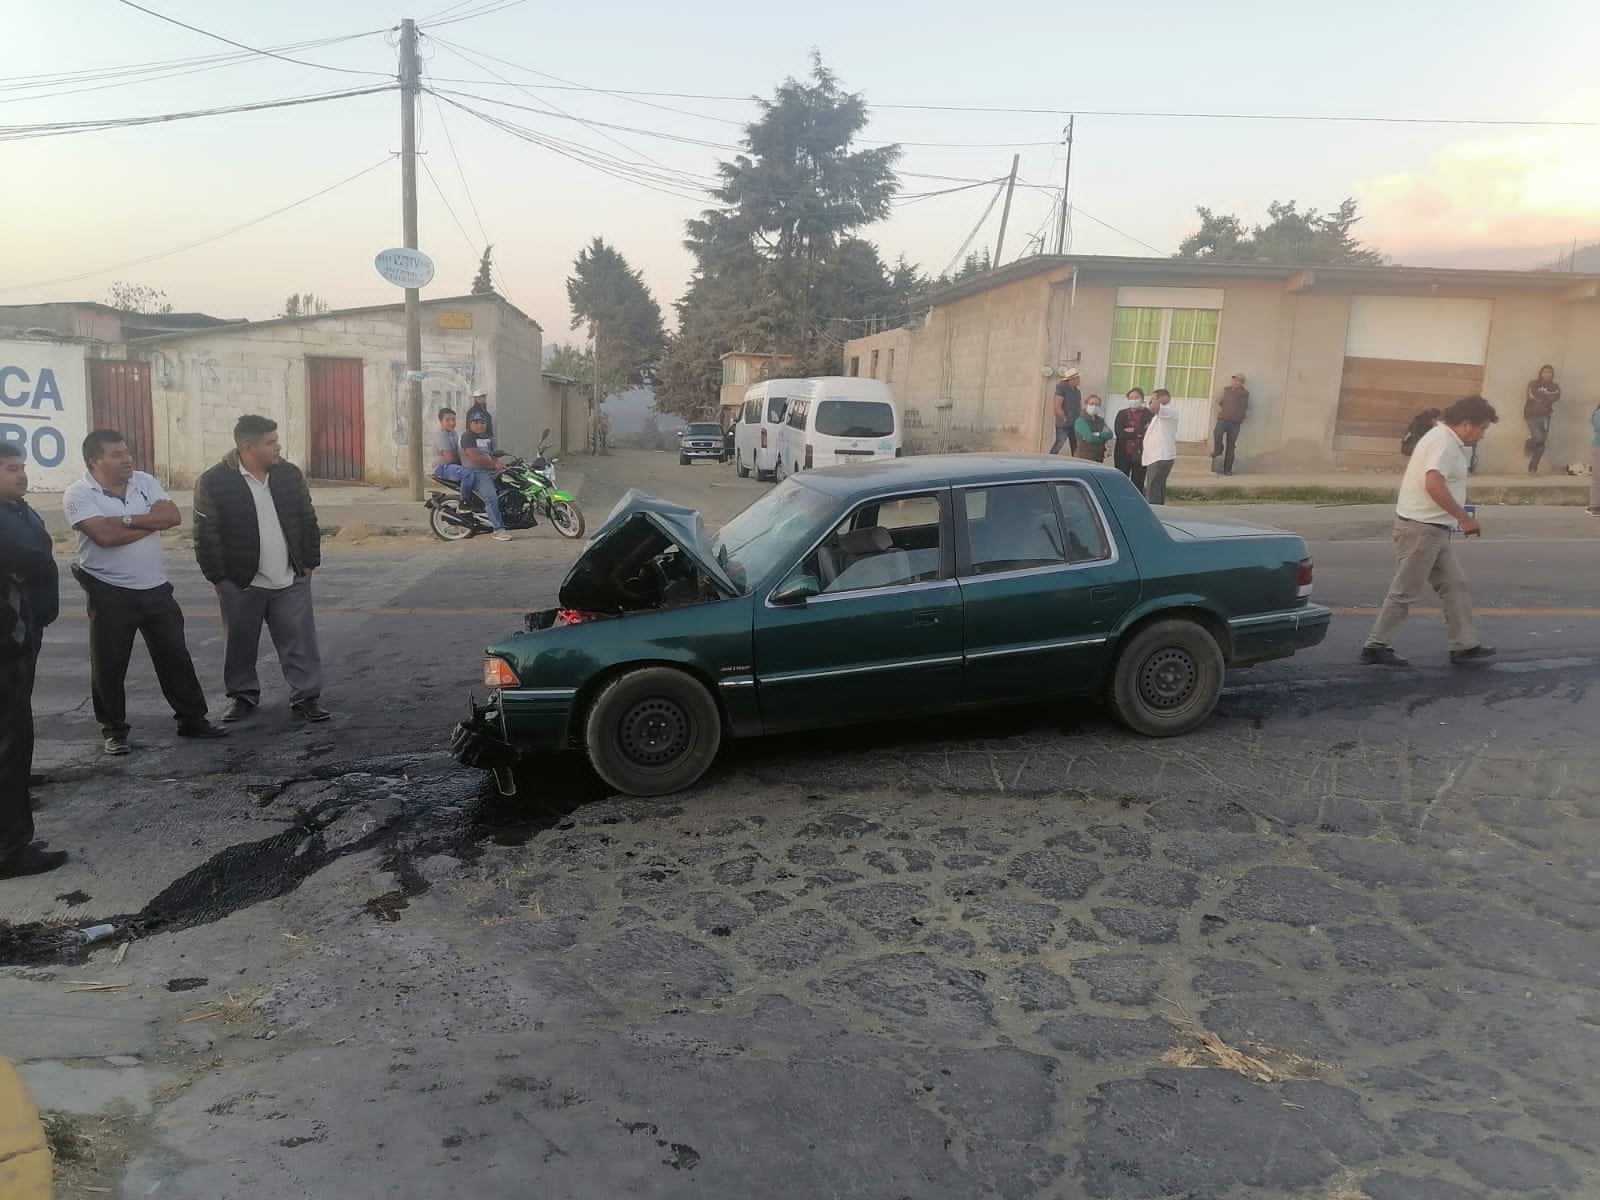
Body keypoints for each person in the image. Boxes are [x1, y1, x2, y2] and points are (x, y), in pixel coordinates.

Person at [63, 430, 227, 755]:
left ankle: (192, 720)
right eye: (116, 455)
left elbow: (172, 517)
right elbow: (104, 538)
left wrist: (123, 520)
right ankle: (114, 731)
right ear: (95, 461)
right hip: (109, 591)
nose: (127, 459)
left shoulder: (144, 481)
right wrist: (150, 522)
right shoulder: (78, 493)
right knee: (109, 665)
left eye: (127, 452)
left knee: (175, 657)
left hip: (156, 589)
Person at [193, 414, 331, 725]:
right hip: (241, 581)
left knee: (299, 641)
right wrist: (219, 578)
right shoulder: (214, 481)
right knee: (239, 644)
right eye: (270, 442)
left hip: (290, 577)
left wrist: (309, 563)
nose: (278, 447)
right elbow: (205, 534)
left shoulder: (289, 475)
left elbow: (308, 520)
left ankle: (306, 697)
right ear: (248, 447)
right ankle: (242, 696)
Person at [1360, 394, 1499, 668]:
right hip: (1421, 530)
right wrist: (1463, 518)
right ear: (1467, 423)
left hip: (1434, 529)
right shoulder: (1443, 442)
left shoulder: (1446, 439)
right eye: (1482, 428)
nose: (1482, 435)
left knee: (1454, 585)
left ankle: (1464, 645)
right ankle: (1375, 646)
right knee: (1404, 591)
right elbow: (1433, 483)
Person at [0, 443, 67, 878]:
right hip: (6, 640)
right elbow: (28, 556)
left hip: (21, 634)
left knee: (14, 733)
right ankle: (9, 850)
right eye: (11, 468)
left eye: (22, 466)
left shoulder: (19, 509)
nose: (21, 474)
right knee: (9, 741)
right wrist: (37, 558)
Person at [458, 410, 513, 542]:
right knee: (491, 497)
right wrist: (494, 465)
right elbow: (475, 457)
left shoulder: (487, 437)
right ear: (470, 424)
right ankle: (498, 530)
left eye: (482, 422)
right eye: (476, 422)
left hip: (489, 470)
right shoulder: (468, 437)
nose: (479, 425)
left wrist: (499, 466)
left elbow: (492, 455)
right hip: (476, 472)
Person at [1140, 389, 1180, 505]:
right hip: (1156, 457)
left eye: (1153, 398)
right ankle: (1159, 509)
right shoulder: (1159, 416)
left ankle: (1155, 510)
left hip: (1160, 456)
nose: (1151, 401)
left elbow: (1154, 408)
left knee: (1153, 488)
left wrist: (1157, 400)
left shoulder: (1169, 411)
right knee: (1157, 486)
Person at [1113, 388, 1151, 493]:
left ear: (1142, 399)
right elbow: (1119, 433)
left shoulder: (1148, 414)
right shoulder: (1122, 414)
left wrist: (1133, 431)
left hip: (1141, 454)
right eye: (1131, 398)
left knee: (1138, 482)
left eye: (1136, 397)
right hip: (1123, 453)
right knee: (1120, 480)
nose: (1133, 400)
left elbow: (1148, 432)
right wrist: (1138, 432)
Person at [1524, 365, 1560, 474]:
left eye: (1550, 372)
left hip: (1545, 416)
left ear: (1552, 374)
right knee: (1538, 438)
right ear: (1541, 373)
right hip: (1531, 415)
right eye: (1545, 372)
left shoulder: (1555, 386)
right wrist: (1546, 396)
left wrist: (1543, 396)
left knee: (1541, 444)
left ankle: (1533, 468)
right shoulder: (1533, 383)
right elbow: (1532, 395)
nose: (1547, 374)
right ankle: (1529, 442)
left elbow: (1556, 397)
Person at [1212, 373, 1249, 476]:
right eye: (1234, 380)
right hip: (1223, 419)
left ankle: (1227, 470)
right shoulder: (1226, 390)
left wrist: (1241, 417)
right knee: (1217, 434)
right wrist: (1221, 412)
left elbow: (1245, 407)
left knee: (1231, 446)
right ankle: (1218, 450)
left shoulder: (1244, 393)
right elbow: (1219, 402)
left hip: (1235, 423)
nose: (1235, 382)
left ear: (1242, 383)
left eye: (1238, 381)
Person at [1049, 368, 1083, 455]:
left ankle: (1075, 460)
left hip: (1074, 422)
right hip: (1064, 423)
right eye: (1077, 378)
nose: (1079, 380)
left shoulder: (1077, 391)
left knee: (1075, 446)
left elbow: (1079, 406)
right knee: (1059, 443)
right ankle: (1050, 459)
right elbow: (1057, 406)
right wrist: (1064, 418)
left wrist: (1080, 419)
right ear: (1072, 379)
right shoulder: (1061, 388)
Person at [1072, 395, 1115, 462]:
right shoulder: (1080, 421)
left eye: (1097, 405)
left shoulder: (1100, 420)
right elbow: (1090, 438)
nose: (1094, 406)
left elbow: (1110, 434)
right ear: (1086, 404)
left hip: (1099, 456)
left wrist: (1098, 434)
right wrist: (1103, 438)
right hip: (1084, 457)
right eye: (1091, 403)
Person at [433, 407, 466, 483]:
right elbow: (449, 458)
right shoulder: (441, 435)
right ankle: (464, 491)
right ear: (441, 421)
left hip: (452, 466)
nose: (452, 423)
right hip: (442, 468)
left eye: (453, 419)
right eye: (447, 420)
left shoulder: (454, 433)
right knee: (467, 473)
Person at [1588, 401, 1600, 516]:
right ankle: (1595, 506)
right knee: (1597, 477)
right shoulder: (1598, 413)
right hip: (1599, 448)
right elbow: (1598, 426)